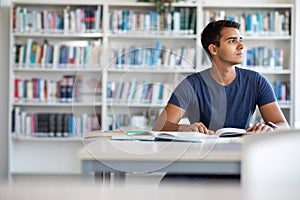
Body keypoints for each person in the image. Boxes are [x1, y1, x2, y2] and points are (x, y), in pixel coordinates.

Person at [152, 19, 289, 134]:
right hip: (202, 154)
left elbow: (283, 125)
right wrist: (186, 128)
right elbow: (159, 126)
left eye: (240, 40)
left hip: (242, 152)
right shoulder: (192, 84)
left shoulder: (256, 81)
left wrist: (270, 128)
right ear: (213, 49)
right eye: (232, 41)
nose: (241, 46)